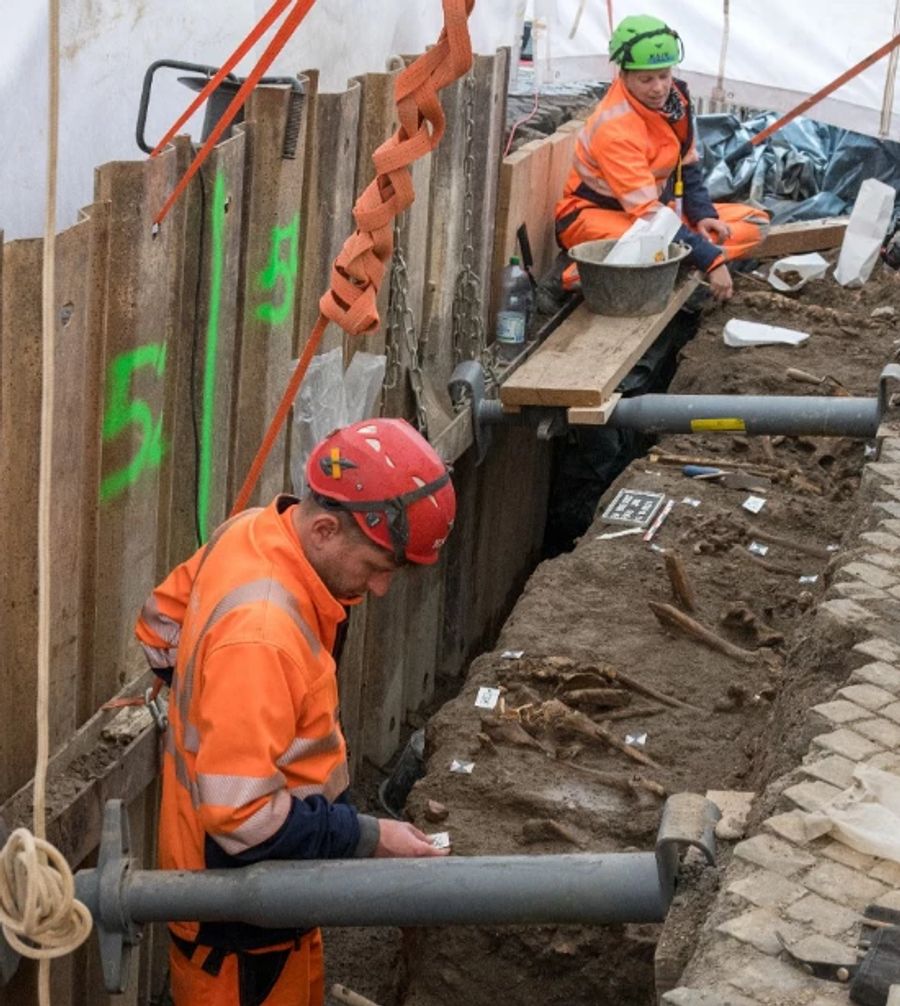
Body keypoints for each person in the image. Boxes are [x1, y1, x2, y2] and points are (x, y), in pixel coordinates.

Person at [134, 418, 456, 1006]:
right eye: (378, 567)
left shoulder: (257, 529)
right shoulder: (261, 638)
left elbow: (159, 627)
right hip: (237, 913)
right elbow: (243, 821)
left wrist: (213, 705)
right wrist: (366, 836)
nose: (381, 589)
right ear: (328, 528)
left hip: (275, 883)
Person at [555, 13, 770, 302]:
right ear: (624, 75)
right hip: (593, 216)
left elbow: (688, 164)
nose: (658, 88)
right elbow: (650, 217)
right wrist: (712, 260)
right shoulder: (615, 129)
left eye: (664, 75)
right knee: (651, 246)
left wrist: (703, 214)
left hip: (656, 212)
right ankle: (572, 276)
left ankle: (670, 261)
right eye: (646, 79)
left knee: (755, 222)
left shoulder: (676, 100)